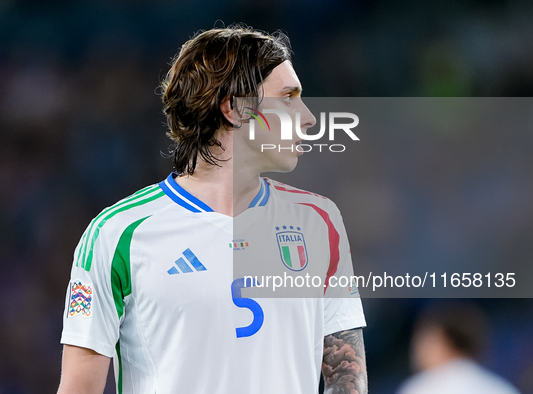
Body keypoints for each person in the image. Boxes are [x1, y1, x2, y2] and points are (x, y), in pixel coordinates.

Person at [57, 25, 367, 394]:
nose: (309, 117)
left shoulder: (319, 220)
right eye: (288, 97)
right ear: (234, 108)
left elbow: (346, 376)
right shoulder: (118, 233)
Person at [397, 301, 520, 394]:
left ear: (440, 341)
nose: (417, 350)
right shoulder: (502, 388)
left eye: (423, 340)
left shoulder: (420, 388)